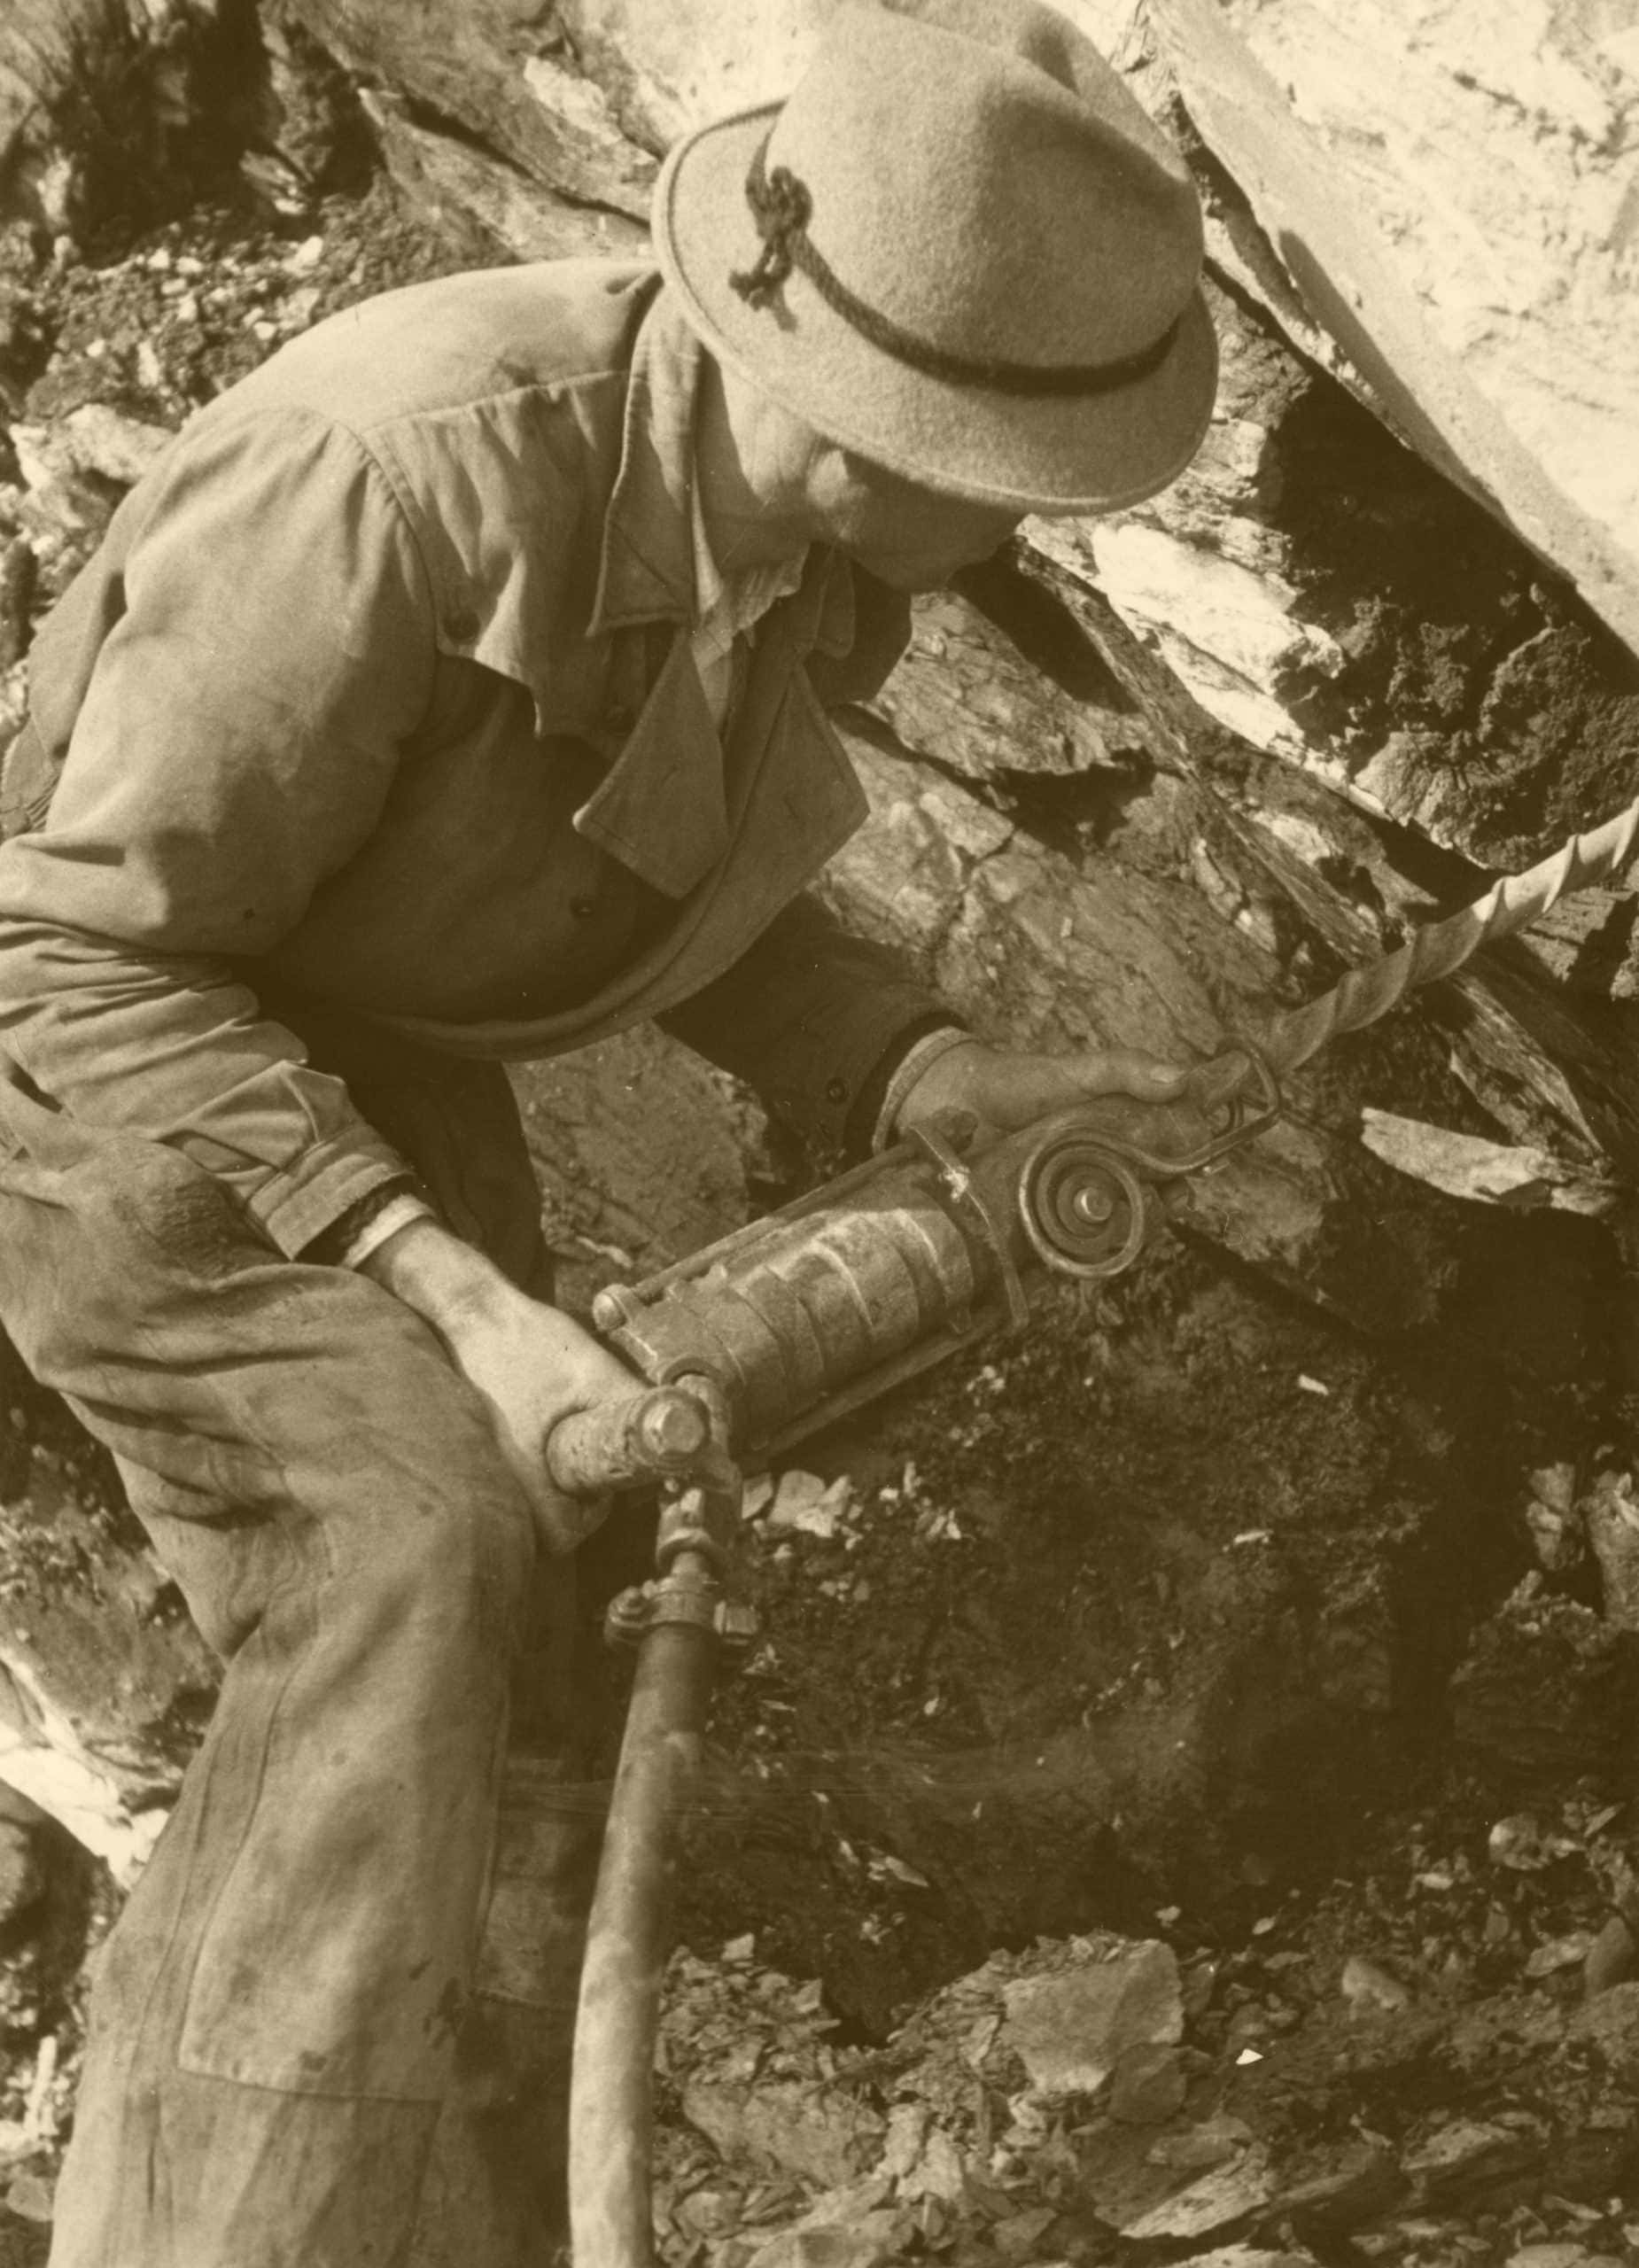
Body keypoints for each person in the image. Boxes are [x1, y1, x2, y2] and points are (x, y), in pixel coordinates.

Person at [0, 0, 1217, 2260]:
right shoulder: (386, 479)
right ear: (866, 418)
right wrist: (458, 1300)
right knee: (404, 1546)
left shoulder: (807, 549)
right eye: (1015, 462)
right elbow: (71, 945)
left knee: (549, 1573)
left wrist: (914, 1068)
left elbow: (655, 876)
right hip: (94, 1032)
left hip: (341, 1030)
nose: (1033, 515)